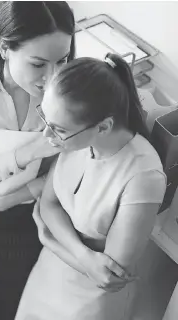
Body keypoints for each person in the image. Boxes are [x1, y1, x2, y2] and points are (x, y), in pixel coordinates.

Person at [0, 2, 89, 319]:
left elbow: (60, 176)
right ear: (5, 48)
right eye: (38, 64)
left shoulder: (67, 94)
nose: (51, 78)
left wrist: (9, 200)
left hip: (28, 220)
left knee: (13, 306)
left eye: (61, 61)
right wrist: (30, 150)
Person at [15, 53, 167, 320]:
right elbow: (49, 204)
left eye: (57, 129)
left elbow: (109, 274)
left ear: (104, 127)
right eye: (47, 121)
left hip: (88, 302)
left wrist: (48, 238)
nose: (46, 136)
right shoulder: (77, 140)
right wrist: (85, 256)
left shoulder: (143, 177)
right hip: (50, 273)